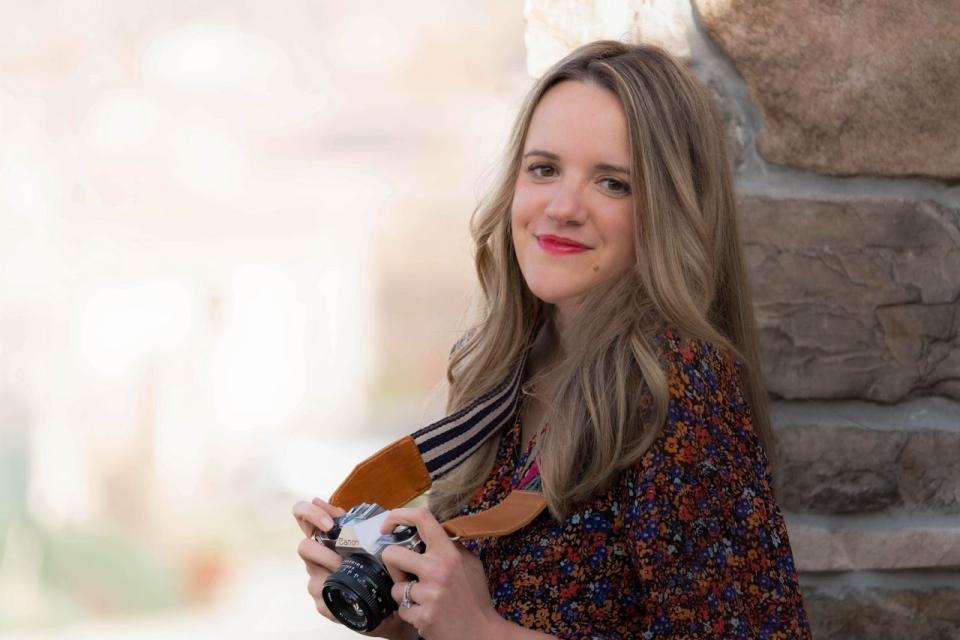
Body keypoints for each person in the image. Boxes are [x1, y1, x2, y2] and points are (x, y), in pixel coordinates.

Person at [293, 40, 812, 639]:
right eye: (544, 169)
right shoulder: (510, 364)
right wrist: (401, 613)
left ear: (668, 210)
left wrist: (483, 631)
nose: (562, 207)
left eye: (613, 183)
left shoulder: (677, 393)